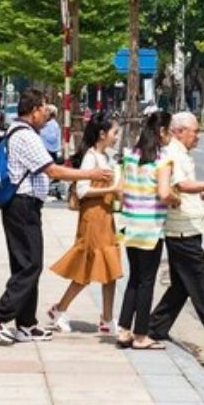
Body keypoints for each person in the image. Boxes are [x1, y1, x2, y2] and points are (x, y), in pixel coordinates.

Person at [0, 89, 114, 344]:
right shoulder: (26, 136)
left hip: (23, 206)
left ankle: (26, 325)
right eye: (44, 109)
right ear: (34, 111)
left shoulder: (19, 131)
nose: (47, 113)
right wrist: (91, 175)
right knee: (31, 266)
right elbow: (53, 171)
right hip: (23, 206)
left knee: (26, 265)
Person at [147, 112, 204, 354]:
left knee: (181, 286)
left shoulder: (180, 153)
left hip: (187, 228)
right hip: (182, 231)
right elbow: (181, 185)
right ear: (179, 132)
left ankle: (155, 327)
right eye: (195, 131)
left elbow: (184, 187)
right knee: (203, 284)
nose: (198, 136)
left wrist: (203, 194)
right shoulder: (173, 153)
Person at [46, 112, 124, 335]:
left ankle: (107, 319)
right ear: (102, 134)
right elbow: (82, 191)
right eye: (114, 132)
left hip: (106, 218)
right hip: (92, 220)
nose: (117, 136)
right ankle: (59, 309)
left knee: (111, 270)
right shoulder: (91, 158)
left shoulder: (106, 157)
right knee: (85, 270)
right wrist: (112, 189)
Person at [116, 111, 177, 350]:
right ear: (161, 132)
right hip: (151, 227)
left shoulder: (131, 156)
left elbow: (120, 191)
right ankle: (141, 335)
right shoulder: (162, 160)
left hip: (130, 225)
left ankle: (123, 330)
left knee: (134, 278)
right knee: (147, 281)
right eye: (169, 130)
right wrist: (175, 200)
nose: (171, 135)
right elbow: (164, 193)